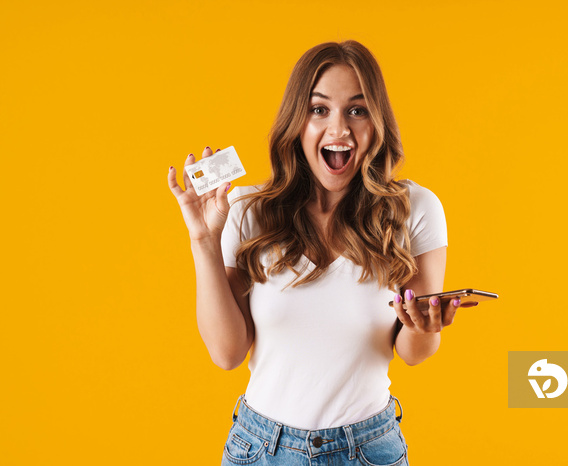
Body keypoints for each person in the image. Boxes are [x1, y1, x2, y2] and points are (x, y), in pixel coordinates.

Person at [167, 40, 477, 466]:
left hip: (367, 450)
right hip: (261, 450)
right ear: (297, 122)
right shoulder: (245, 209)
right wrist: (204, 240)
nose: (339, 130)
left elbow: (413, 352)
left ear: (377, 122)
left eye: (357, 109)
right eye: (319, 110)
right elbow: (227, 354)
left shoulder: (415, 209)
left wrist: (425, 327)